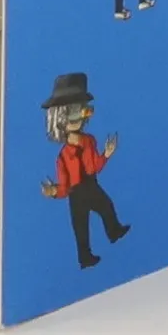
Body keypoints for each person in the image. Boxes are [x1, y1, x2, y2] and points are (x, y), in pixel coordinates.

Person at [38, 72, 130, 270]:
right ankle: (85, 258)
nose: (79, 117)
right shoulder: (63, 156)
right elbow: (64, 186)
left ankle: (114, 231)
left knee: (107, 206)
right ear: (60, 119)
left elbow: (95, 166)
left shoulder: (89, 141)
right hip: (76, 194)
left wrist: (106, 154)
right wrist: (53, 192)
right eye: (73, 113)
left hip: (91, 185)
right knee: (81, 228)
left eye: (83, 111)